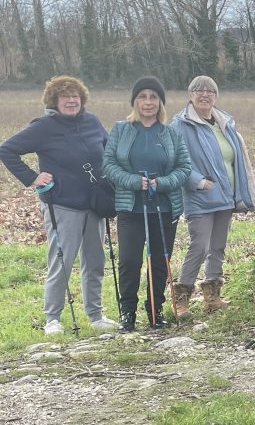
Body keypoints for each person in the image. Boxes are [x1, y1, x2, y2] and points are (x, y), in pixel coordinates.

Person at [0, 75, 117, 334]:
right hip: (63, 205)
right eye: (65, 97)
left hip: (95, 204)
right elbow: (6, 150)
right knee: (61, 261)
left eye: (75, 96)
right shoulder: (43, 127)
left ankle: (96, 315)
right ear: (54, 100)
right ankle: (52, 318)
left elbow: (110, 151)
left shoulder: (92, 121)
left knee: (95, 261)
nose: (71, 101)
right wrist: (32, 177)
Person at [102, 76, 191, 331]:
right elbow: (109, 164)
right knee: (129, 261)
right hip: (131, 207)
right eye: (143, 97)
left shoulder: (171, 133)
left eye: (154, 97)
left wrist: (161, 183)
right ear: (135, 101)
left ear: (160, 102)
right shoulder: (121, 130)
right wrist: (133, 181)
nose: (148, 102)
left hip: (164, 208)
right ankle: (127, 312)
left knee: (160, 262)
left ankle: (155, 309)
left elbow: (184, 168)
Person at [169, 76, 255, 317]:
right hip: (200, 196)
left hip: (225, 196)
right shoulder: (180, 125)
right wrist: (198, 181)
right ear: (190, 95)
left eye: (210, 91)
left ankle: (213, 297)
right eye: (199, 90)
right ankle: (181, 299)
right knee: (200, 246)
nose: (205, 94)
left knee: (218, 247)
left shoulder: (224, 122)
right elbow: (174, 161)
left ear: (216, 96)